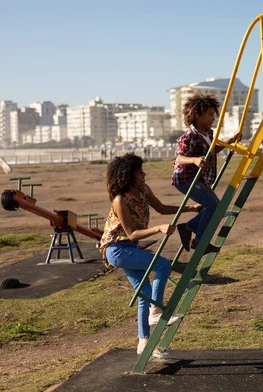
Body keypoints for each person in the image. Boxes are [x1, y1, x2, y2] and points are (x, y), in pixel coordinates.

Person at [99, 152, 200, 359]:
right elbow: (131, 233)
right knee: (162, 265)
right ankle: (156, 311)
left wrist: (190, 207)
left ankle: (144, 343)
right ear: (127, 176)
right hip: (117, 250)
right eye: (139, 172)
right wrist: (158, 229)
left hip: (131, 248)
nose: (144, 175)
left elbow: (161, 208)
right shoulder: (120, 200)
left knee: (143, 292)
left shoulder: (144, 190)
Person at [171, 93, 240, 255]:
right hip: (185, 178)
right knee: (212, 205)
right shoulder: (190, 135)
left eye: (214, 114)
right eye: (209, 115)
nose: (213, 118)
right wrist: (194, 160)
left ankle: (188, 227)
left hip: (199, 179)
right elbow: (179, 157)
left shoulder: (209, 133)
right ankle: (199, 240)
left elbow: (213, 150)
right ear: (197, 115)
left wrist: (229, 141)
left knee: (217, 207)